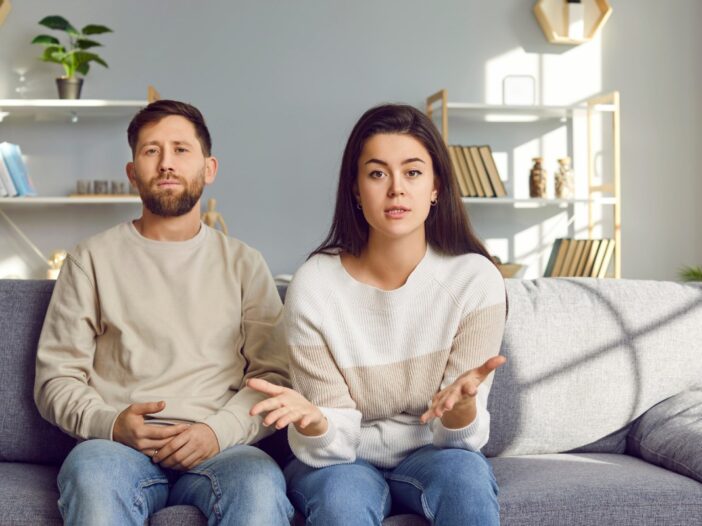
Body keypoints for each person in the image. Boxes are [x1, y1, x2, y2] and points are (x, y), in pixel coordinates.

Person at [34, 100, 294, 525]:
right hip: (116, 448)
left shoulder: (245, 263)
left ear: (208, 169)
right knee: (92, 476)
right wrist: (112, 423)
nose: (166, 163)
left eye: (180, 150)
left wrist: (216, 432)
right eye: (151, 151)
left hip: (223, 448)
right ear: (133, 172)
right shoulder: (90, 259)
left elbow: (275, 379)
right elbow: (55, 379)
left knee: (260, 484)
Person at [248, 104, 507, 525]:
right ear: (355, 188)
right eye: (377, 173)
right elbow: (331, 445)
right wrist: (317, 422)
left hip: (435, 453)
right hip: (340, 460)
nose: (396, 189)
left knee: (466, 480)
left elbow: (458, 441)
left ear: (436, 186)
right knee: (341, 498)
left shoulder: (475, 280)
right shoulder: (315, 284)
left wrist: (461, 411)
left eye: (413, 172)